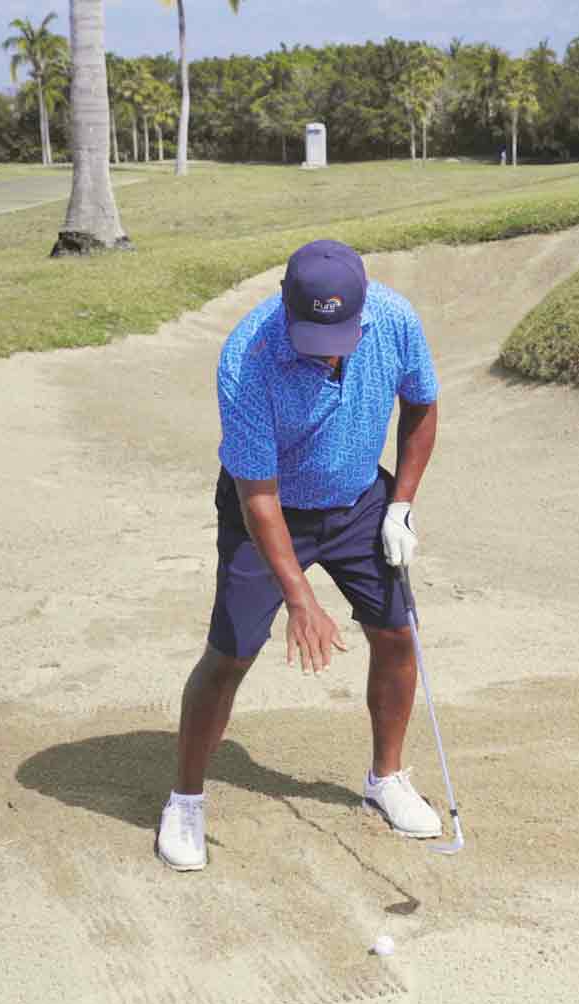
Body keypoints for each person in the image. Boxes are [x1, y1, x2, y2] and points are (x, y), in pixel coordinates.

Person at [154, 239, 443, 872]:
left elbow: (421, 405)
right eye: (314, 331)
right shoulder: (248, 357)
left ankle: (386, 779)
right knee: (229, 653)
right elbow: (257, 493)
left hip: (361, 498)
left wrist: (401, 504)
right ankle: (185, 799)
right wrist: (300, 597)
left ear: (363, 314)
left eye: (339, 332)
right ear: (285, 307)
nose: (329, 347)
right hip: (271, 511)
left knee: (397, 634)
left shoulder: (394, 320)